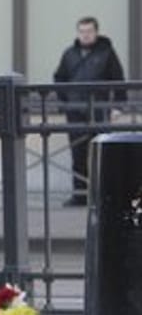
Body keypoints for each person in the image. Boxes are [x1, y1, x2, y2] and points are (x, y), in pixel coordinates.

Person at [53, 15, 125, 206]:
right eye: (82, 31)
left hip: (99, 109)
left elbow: (118, 79)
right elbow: (59, 78)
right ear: (78, 33)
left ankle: (104, 196)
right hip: (75, 111)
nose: (85, 35)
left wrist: (117, 106)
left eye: (89, 31)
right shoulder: (69, 54)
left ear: (96, 32)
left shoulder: (107, 53)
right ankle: (80, 195)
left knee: (102, 153)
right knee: (77, 154)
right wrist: (64, 104)